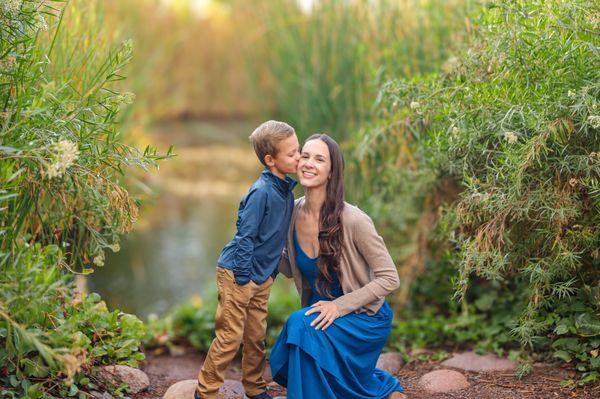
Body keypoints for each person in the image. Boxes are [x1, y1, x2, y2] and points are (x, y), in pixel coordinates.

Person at [269, 133, 405, 399]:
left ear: (331, 172)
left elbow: (390, 278)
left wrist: (338, 306)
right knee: (300, 330)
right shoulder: (291, 212)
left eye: (319, 159)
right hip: (319, 314)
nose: (309, 163)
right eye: (305, 156)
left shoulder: (354, 220)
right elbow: (289, 268)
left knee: (300, 324)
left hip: (362, 317)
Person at [195, 121, 300, 399]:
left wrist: (269, 274)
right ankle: (204, 392)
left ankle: (253, 387)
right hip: (237, 274)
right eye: (292, 154)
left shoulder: (286, 192)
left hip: (262, 276)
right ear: (270, 160)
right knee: (230, 337)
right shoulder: (261, 192)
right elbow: (245, 237)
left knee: (255, 337)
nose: (298, 157)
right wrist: (244, 278)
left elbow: (275, 239)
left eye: (298, 150)